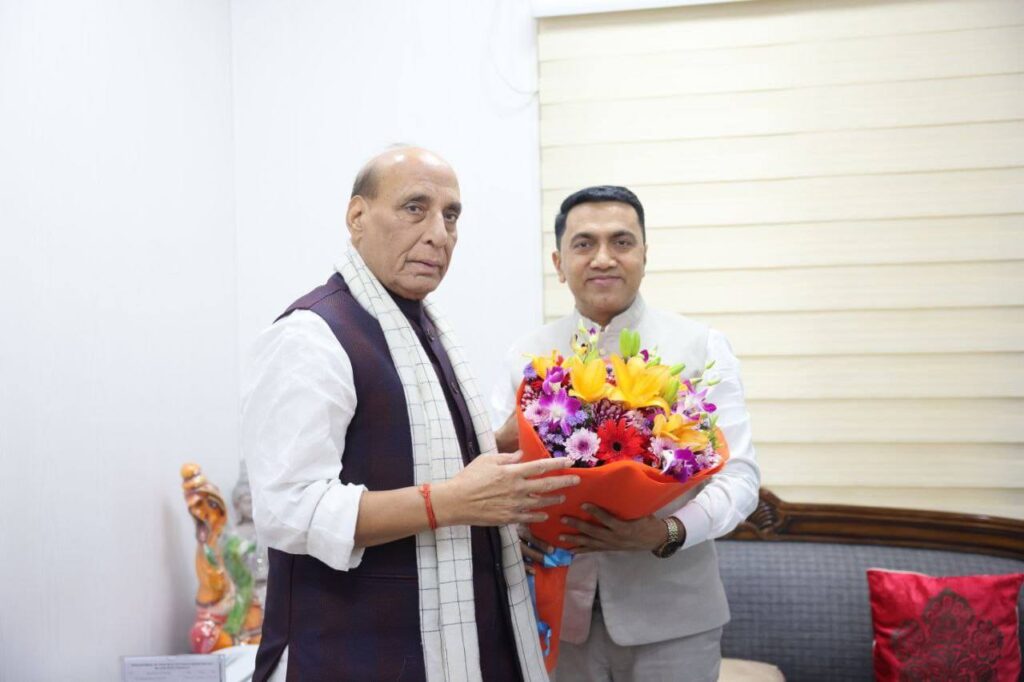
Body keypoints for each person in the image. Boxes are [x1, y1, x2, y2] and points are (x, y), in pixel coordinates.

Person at [243, 146, 579, 681]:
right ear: (357, 216)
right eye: (415, 208)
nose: (439, 234)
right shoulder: (311, 336)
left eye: (451, 216)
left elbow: (400, 458)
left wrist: (497, 444)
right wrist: (450, 501)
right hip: (356, 651)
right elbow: (289, 510)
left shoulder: (421, 328)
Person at [491, 185, 761, 682]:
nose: (603, 258)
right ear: (559, 262)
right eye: (584, 243)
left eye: (621, 242)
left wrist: (665, 532)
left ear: (644, 255)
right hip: (555, 615)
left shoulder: (701, 348)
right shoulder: (526, 358)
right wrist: (514, 529)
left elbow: (739, 478)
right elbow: (497, 474)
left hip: (674, 620)